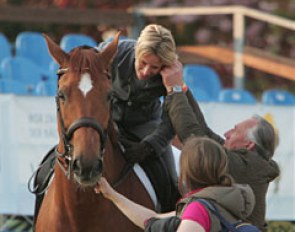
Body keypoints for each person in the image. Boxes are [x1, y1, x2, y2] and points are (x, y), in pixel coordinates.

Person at [32, 24, 182, 215]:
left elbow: (172, 119)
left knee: (169, 179)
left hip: (145, 125)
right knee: (44, 171)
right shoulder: (114, 54)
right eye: (142, 63)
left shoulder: (171, 75)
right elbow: (85, 73)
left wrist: (150, 146)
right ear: (136, 53)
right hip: (107, 118)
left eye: (154, 67)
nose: (146, 72)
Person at [160, 63, 280, 231]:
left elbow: (193, 137)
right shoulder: (245, 159)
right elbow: (204, 132)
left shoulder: (246, 165)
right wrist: (183, 88)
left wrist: (174, 89)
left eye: (235, 131)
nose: (226, 133)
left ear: (249, 144)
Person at [95, 137, 255, 232]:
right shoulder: (224, 202)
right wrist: (112, 195)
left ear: (188, 171)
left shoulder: (198, 209)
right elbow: (152, 218)